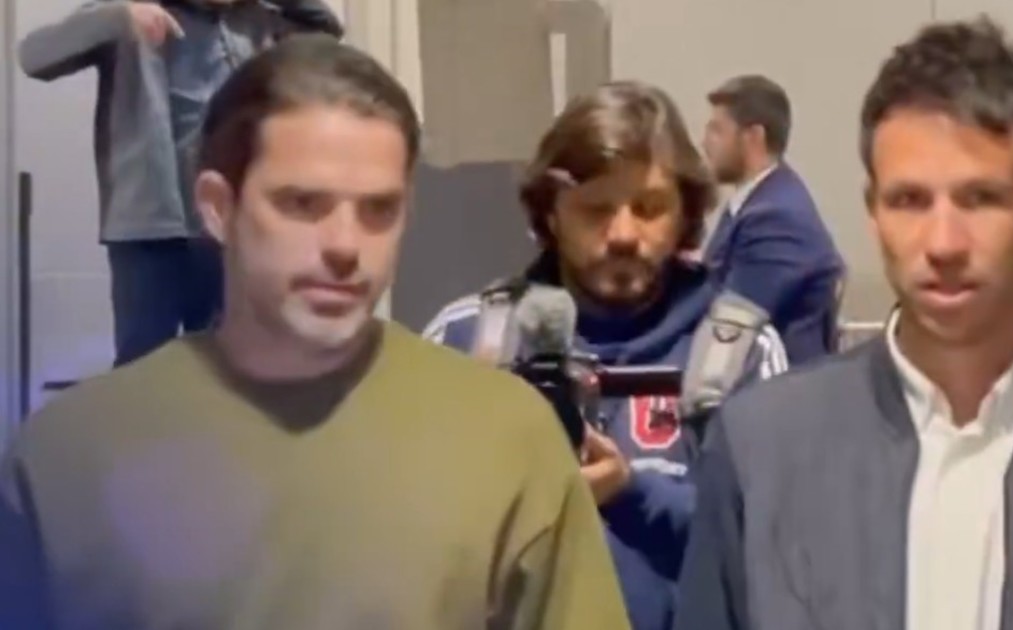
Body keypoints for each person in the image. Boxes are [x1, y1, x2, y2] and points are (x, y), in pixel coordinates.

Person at [0, 36, 629, 630]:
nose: (345, 246)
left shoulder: (507, 438)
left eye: (378, 210)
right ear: (219, 207)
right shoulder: (66, 458)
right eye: (302, 204)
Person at [675, 17, 1013, 630]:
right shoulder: (760, 451)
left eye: (981, 199)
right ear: (873, 216)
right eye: (909, 201)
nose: (944, 242)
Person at [423, 81, 789, 630]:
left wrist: (631, 494)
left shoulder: (743, 354)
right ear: (551, 214)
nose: (622, 234)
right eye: (595, 209)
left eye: (649, 208)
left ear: (686, 215)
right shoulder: (467, 341)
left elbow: (773, 554)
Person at [17, 0, 343, 366]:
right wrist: (119, 17)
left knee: (227, 366)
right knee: (143, 368)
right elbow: (34, 56)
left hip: (228, 230)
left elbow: (326, 31)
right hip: (147, 231)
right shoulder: (132, 10)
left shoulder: (254, 21)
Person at [701, 75, 844, 365]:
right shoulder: (759, 203)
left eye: (717, 131)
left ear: (753, 137)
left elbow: (727, 320)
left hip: (781, 385)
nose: (705, 143)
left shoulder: (776, 218)